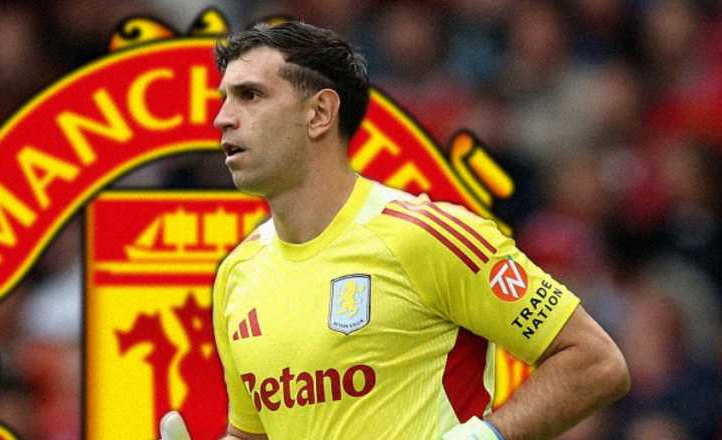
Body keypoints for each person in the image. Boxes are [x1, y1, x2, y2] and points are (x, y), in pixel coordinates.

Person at [162, 21, 630, 440]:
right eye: (225, 98)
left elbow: (595, 361)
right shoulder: (237, 274)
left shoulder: (424, 235)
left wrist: (480, 438)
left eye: (250, 95)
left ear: (319, 113)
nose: (222, 117)